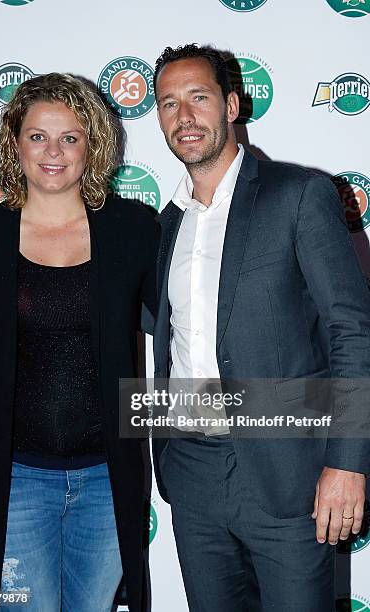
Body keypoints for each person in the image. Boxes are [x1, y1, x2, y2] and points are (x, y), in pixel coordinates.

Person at [152, 44, 370, 611]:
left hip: (288, 471)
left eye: (198, 97)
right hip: (191, 470)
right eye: (169, 103)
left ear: (231, 106)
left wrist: (347, 462)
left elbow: (352, 331)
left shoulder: (298, 196)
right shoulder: (165, 225)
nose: (184, 116)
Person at [0, 73, 159, 611]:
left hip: (107, 478)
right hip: (14, 481)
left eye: (70, 137)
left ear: (91, 145)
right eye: (37, 136)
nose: (53, 151)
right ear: (14, 143)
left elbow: (182, 325)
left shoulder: (134, 229)